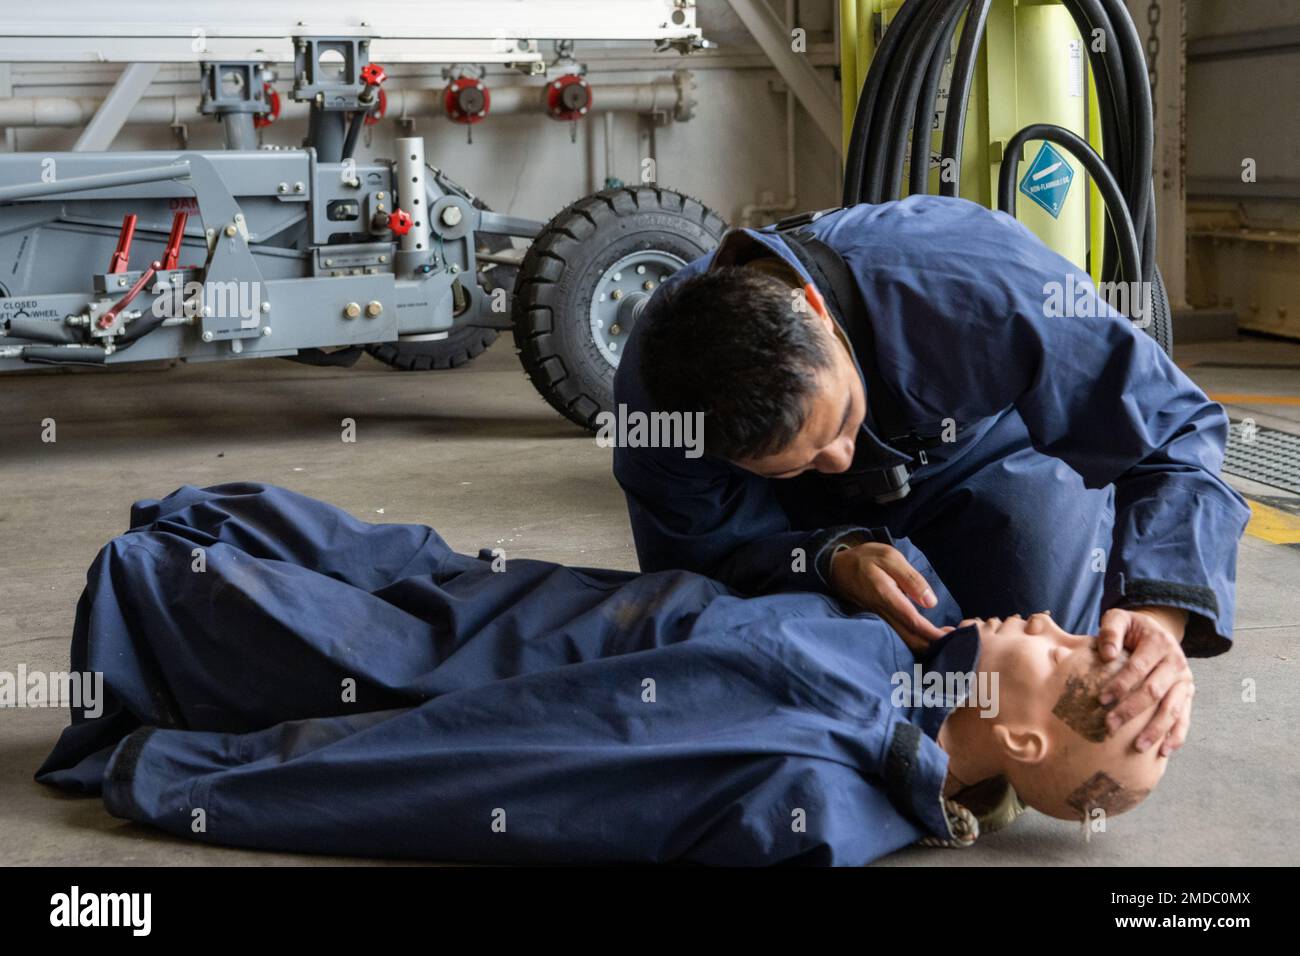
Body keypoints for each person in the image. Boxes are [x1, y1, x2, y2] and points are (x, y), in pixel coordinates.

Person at [39, 483, 1165, 866]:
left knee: (165, 571)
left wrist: (191, 775)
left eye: (1061, 652)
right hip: (510, 592)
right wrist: (835, 554)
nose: (1052, 622)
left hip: (470, 659)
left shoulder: (805, 773)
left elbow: (516, 764)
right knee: (226, 518)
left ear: (1020, 741)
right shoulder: (932, 657)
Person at [613, 194, 1251, 762]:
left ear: (815, 310)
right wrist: (825, 558)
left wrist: (1159, 611)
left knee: (1031, 660)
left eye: (840, 424)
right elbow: (698, 561)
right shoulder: (662, 401)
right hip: (795, 518)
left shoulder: (970, 279)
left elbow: (1171, 427)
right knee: (785, 659)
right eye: (805, 459)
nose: (840, 458)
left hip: (985, 454)